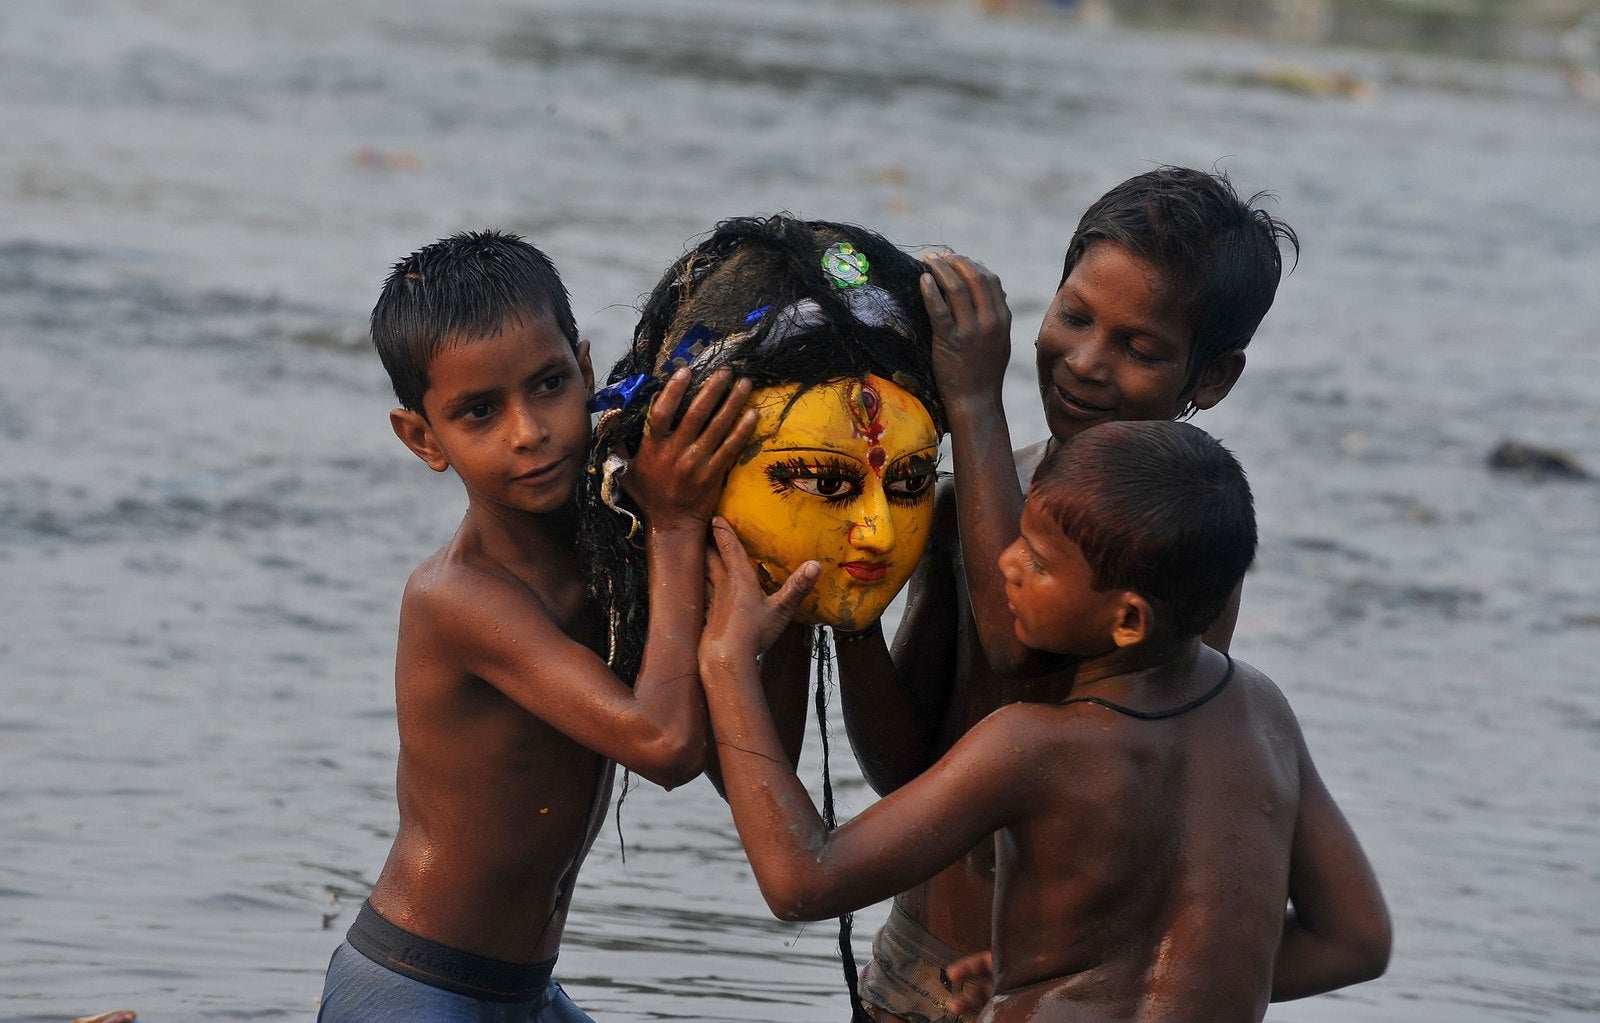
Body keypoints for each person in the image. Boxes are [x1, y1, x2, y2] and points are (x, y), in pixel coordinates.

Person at [701, 419, 1392, 1023]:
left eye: (1036, 558)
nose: (1005, 561)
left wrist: (729, 661)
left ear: (1126, 619)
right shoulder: (1262, 709)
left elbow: (803, 879)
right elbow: (1355, 940)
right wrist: (1096, 980)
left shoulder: (1033, 743)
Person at [835, 166, 1302, 1022]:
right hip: (918, 958)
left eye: (1141, 347)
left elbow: (1018, 647)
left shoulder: (1183, 556)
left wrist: (974, 397)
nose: (1086, 363)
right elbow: (907, 767)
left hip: (1059, 994)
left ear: (1215, 378)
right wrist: (848, 615)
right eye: (1075, 316)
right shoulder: (973, 498)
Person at [316, 230, 782, 1021]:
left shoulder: (612, 544)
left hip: (524, 993)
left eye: (547, 385)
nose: (528, 431)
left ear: (588, 370)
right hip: (416, 987)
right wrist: (674, 529)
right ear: (422, 437)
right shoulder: (458, 596)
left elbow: (729, 755)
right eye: (478, 411)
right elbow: (666, 745)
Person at [578, 213, 945, 1017]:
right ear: (701, 466)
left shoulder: (1016, 551)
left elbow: (904, 774)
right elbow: (704, 757)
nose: (880, 529)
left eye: (913, 480)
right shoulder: (551, 577)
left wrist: (848, 607)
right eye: (823, 480)